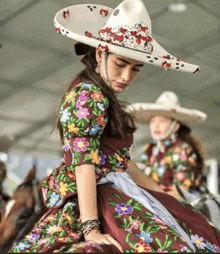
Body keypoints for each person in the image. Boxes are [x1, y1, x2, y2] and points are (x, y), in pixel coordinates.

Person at [10, 0, 220, 253]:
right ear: (100, 53)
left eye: (136, 69)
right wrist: (91, 228)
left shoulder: (102, 95)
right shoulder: (88, 95)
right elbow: (84, 163)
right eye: (121, 64)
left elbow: (123, 162)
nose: (126, 77)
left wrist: (168, 197)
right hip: (99, 195)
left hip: (118, 188)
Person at [132, 91, 207, 201]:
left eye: (162, 121)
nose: (156, 126)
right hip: (155, 200)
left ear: (175, 126)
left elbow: (182, 191)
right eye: (153, 121)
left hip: (180, 203)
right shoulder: (149, 149)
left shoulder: (182, 149)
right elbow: (142, 179)